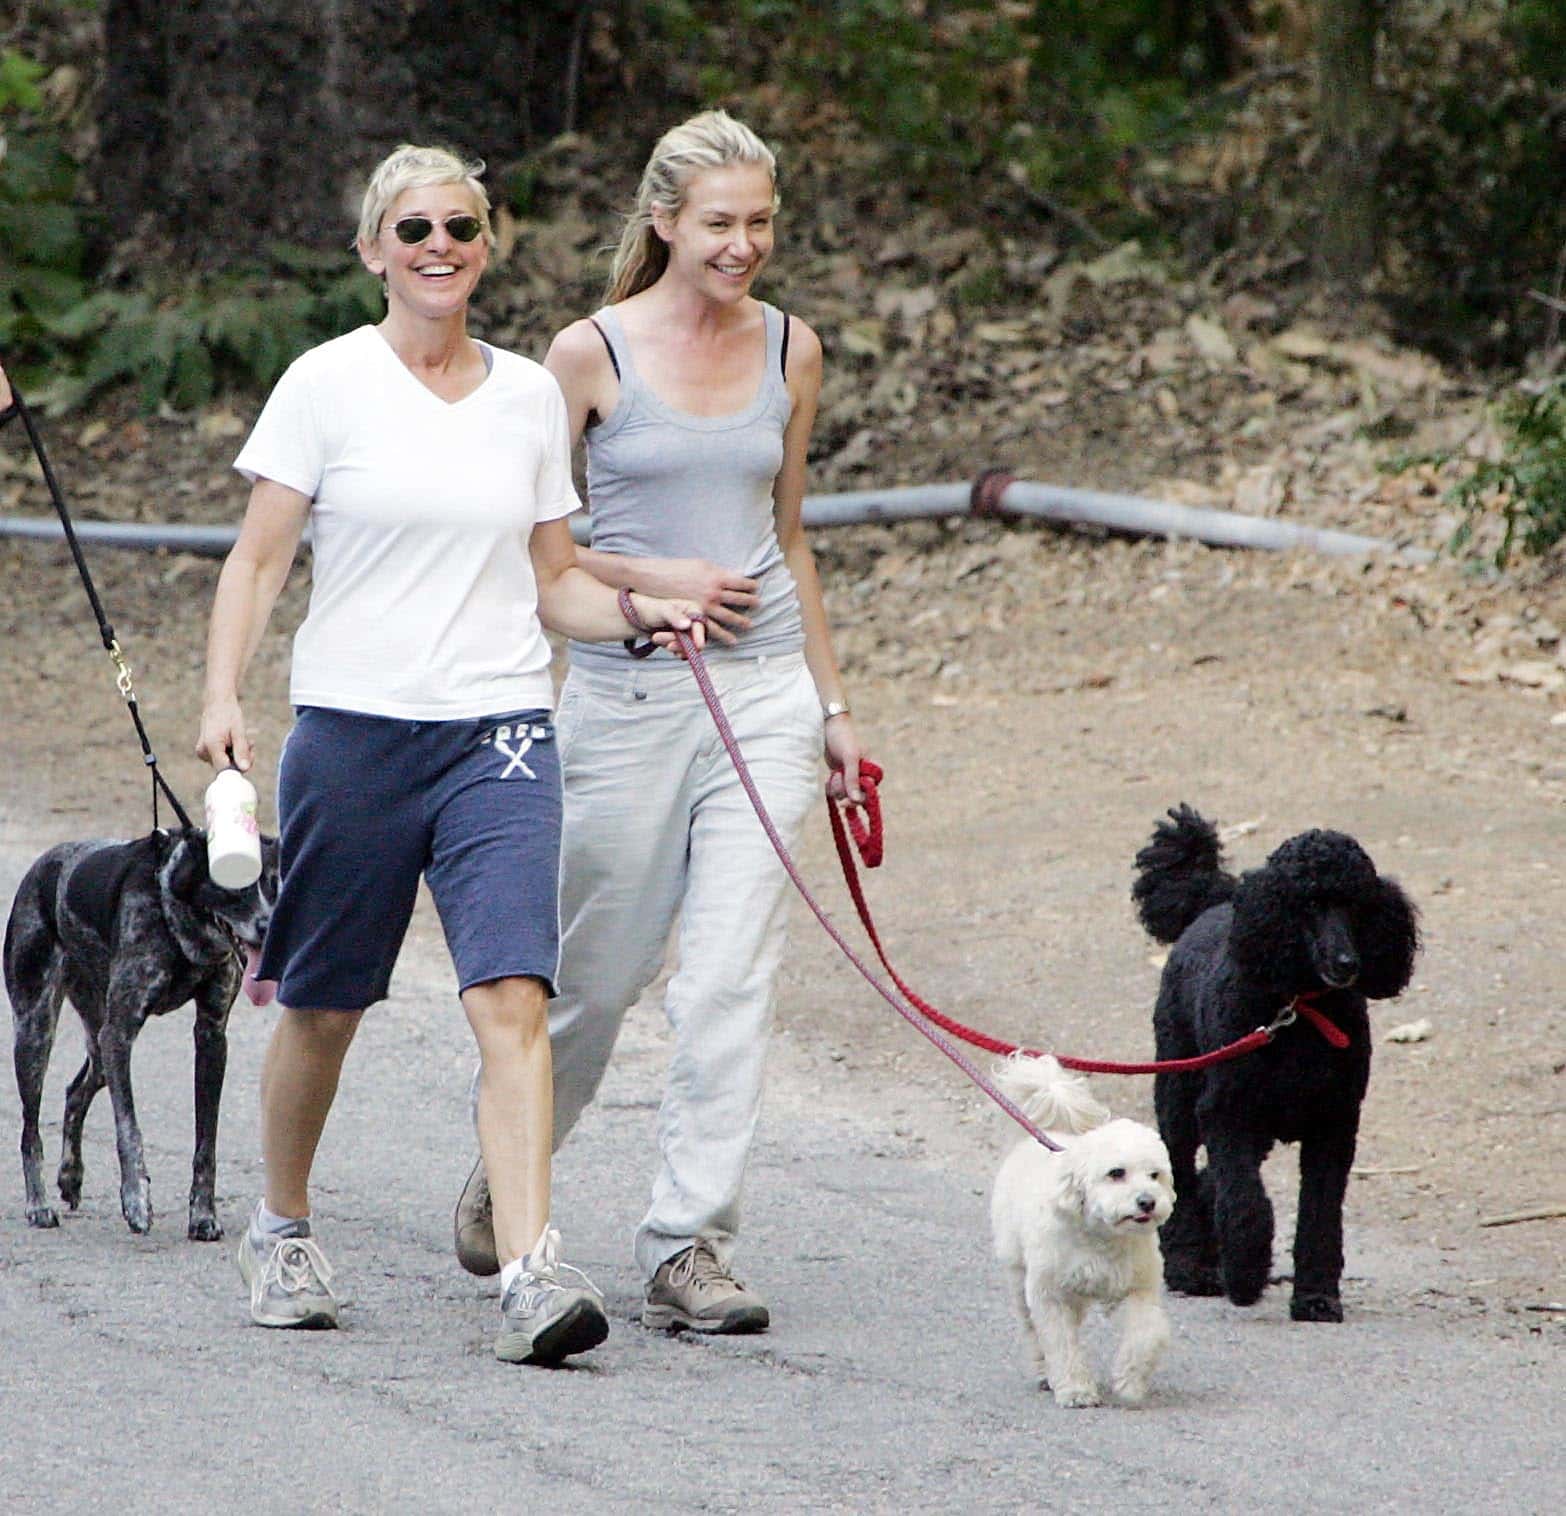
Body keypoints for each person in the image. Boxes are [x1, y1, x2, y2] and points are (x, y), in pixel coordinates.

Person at [196, 143, 702, 1367]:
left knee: (513, 993)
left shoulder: (527, 396)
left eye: (461, 228)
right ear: (374, 249)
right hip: (354, 732)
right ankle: (281, 1228)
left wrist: (639, 613)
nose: (439, 247)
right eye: (414, 228)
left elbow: (554, 581)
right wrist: (221, 694)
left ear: (488, 246)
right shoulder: (325, 384)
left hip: (500, 733)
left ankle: (530, 1272)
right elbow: (259, 559)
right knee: (323, 1003)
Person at [454, 110, 865, 1335]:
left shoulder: (793, 348)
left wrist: (834, 708)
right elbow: (532, 543)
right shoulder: (587, 356)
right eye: (720, 223)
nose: (744, 245)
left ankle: (690, 1242)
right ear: (666, 223)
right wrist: (657, 581)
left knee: (730, 978)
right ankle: (514, 1165)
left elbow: (789, 538)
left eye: (761, 222)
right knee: (597, 973)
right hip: (629, 692)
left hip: (765, 691)